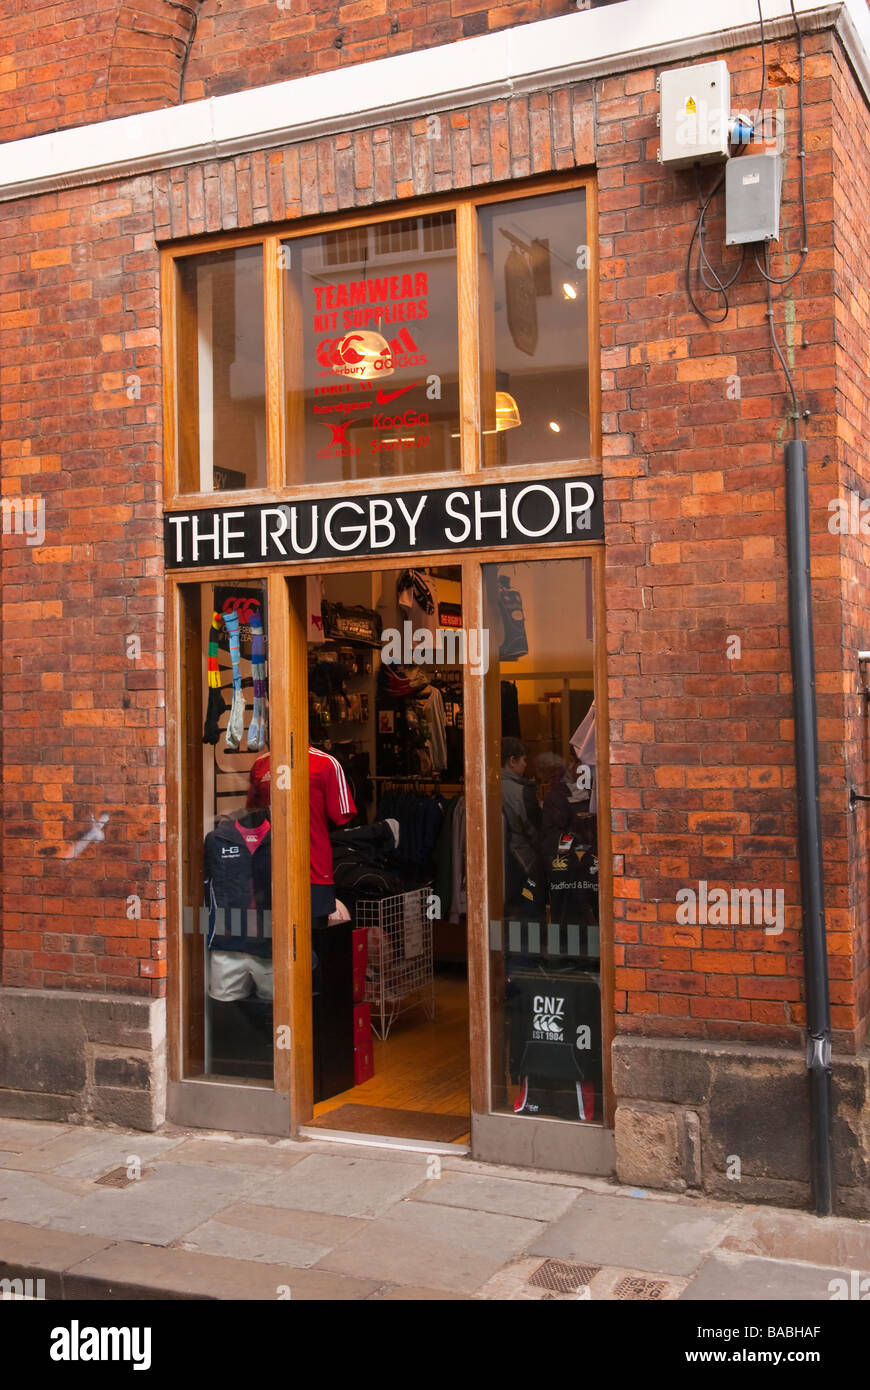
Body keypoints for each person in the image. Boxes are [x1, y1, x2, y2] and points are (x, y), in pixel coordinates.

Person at [500, 737, 542, 913]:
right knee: (526, 914)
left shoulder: (486, 785)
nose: (526, 765)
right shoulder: (520, 792)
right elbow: (533, 829)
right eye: (524, 760)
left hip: (499, 862)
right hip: (522, 860)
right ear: (512, 761)